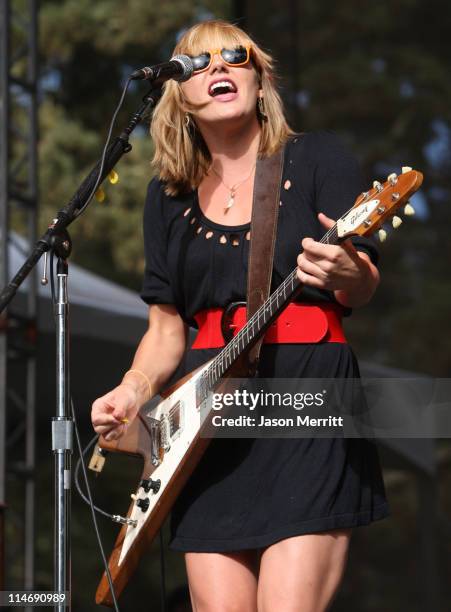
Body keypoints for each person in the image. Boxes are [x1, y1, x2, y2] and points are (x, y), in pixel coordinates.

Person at [91, 19, 390, 612]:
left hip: (309, 397)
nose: (219, 68)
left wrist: (347, 271)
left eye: (235, 56)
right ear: (179, 94)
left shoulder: (316, 158)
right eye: (198, 63)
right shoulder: (167, 197)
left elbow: (361, 284)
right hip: (205, 421)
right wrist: (133, 388)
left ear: (259, 78)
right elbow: (165, 328)